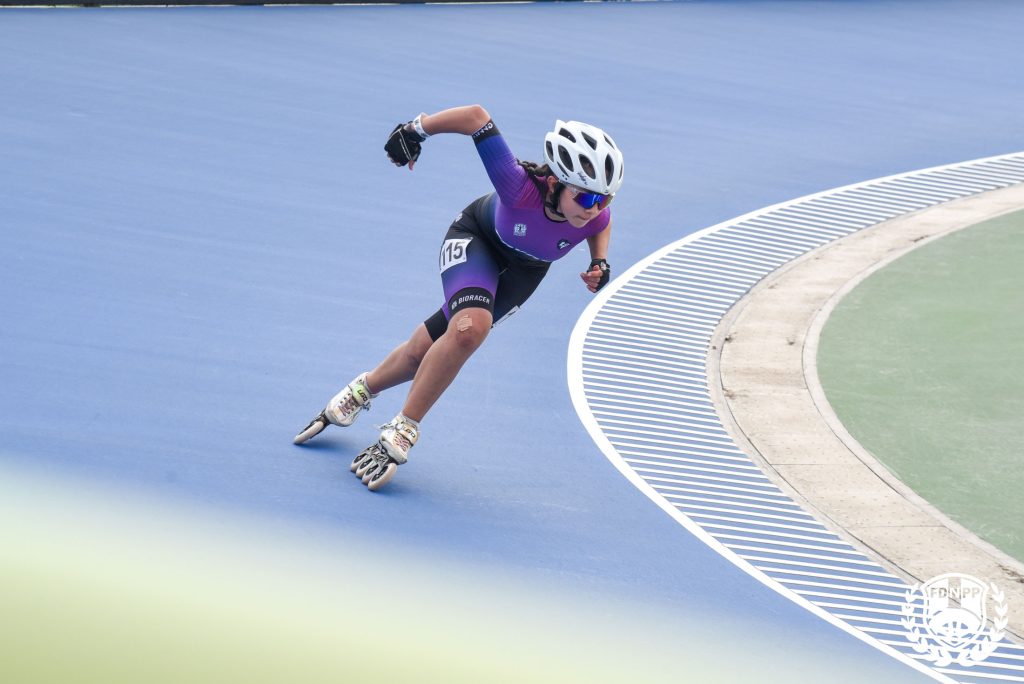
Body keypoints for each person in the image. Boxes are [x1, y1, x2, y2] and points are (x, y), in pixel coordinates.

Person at [293, 104, 624, 491]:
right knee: (470, 329)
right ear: (554, 183)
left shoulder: (596, 214)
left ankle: (363, 388)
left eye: (604, 199)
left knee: (424, 350)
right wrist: (414, 130)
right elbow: (476, 118)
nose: (595, 209)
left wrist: (599, 260)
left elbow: (601, 225)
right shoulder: (517, 186)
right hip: (477, 239)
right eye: (586, 199)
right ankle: (404, 428)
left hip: (525, 272)